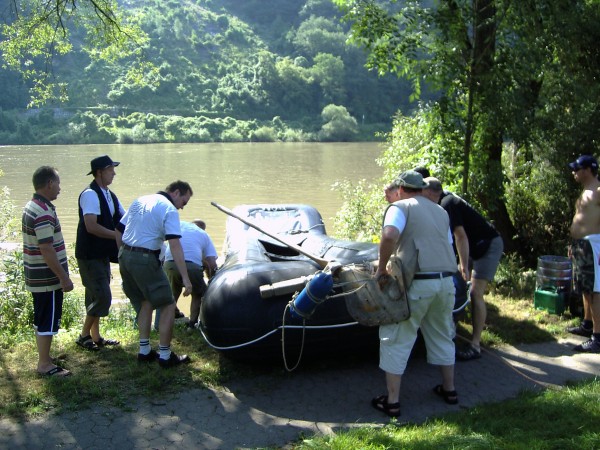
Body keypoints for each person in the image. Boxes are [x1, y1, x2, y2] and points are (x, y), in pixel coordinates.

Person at [371, 170, 458, 418]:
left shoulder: (400, 207)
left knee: (397, 336)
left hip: (418, 284)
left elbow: (389, 235)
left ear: (400, 189)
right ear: (420, 188)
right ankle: (449, 390)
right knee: (442, 333)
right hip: (445, 282)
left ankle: (392, 402)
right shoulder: (440, 210)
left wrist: (380, 269)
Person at [423, 177, 504, 361]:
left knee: (476, 293)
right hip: (475, 246)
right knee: (469, 289)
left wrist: (463, 264)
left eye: (421, 193)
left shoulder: (447, 204)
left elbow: (460, 236)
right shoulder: (445, 201)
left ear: (429, 192)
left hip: (488, 245)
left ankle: (475, 345)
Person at [115, 180, 194, 368]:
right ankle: (165, 356)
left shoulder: (140, 200)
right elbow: (174, 245)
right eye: (184, 202)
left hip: (125, 255)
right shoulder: (169, 209)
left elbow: (118, 229)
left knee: (145, 301)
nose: (182, 208)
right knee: (167, 304)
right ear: (175, 193)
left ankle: (144, 352)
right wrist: (185, 278)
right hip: (145, 258)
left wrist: (122, 254)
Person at [22, 166, 74, 377]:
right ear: (49, 183)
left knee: (43, 317)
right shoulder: (42, 211)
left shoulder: (33, 205)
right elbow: (46, 248)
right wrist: (63, 277)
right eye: (58, 183)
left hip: (38, 276)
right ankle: (44, 364)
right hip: (47, 277)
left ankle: (45, 357)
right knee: (47, 320)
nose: (60, 188)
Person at [75, 155, 125, 351]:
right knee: (103, 296)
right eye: (110, 169)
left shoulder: (109, 194)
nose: (114, 173)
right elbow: (91, 226)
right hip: (89, 254)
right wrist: (116, 236)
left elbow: (123, 218)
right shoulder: (90, 194)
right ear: (99, 172)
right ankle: (83, 335)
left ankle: (95, 337)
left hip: (101, 254)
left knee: (95, 295)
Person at [568, 154, 600, 353]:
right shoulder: (586, 191)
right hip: (582, 245)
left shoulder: (598, 191)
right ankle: (587, 324)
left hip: (595, 245)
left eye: (576, 169)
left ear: (588, 170)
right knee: (586, 289)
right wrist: (574, 243)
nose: (573, 173)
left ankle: (598, 338)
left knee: (596, 291)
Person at [161, 219, 218, 329]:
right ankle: (192, 325)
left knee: (172, 294)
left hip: (170, 263)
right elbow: (211, 263)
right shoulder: (203, 234)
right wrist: (213, 280)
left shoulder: (180, 225)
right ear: (202, 228)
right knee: (198, 294)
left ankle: (165, 324)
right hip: (191, 266)